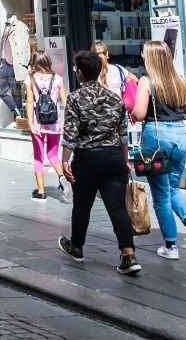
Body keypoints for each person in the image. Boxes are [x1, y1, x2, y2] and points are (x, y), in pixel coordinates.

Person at [59, 49, 141, 276]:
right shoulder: (115, 98)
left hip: (87, 159)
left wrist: (65, 161)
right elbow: (123, 134)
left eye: (76, 69)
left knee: (82, 205)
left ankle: (77, 247)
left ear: (81, 74)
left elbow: (70, 134)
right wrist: (124, 160)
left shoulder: (75, 98)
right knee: (117, 207)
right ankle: (128, 254)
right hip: (113, 156)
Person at [133, 40, 186, 260]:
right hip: (179, 137)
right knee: (173, 188)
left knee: (161, 196)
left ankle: (171, 246)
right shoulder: (180, 81)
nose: (142, 57)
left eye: (144, 54)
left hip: (156, 138)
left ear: (151, 58)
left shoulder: (146, 82)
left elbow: (139, 113)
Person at [24, 52, 66, 200]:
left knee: (38, 157)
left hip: (37, 123)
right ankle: (61, 176)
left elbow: (30, 102)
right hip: (55, 124)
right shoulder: (58, 79)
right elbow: (64, 102)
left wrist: (30, 122)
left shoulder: (30, 79)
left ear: (34, 63)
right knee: (53, 154)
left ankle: (41, 192)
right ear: (48, 62)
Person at [92, 40, 135, 114]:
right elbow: (135, 79)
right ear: (107, 54)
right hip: (119, 112)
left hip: (100, 115)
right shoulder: (119, 69)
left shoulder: (90, 73)